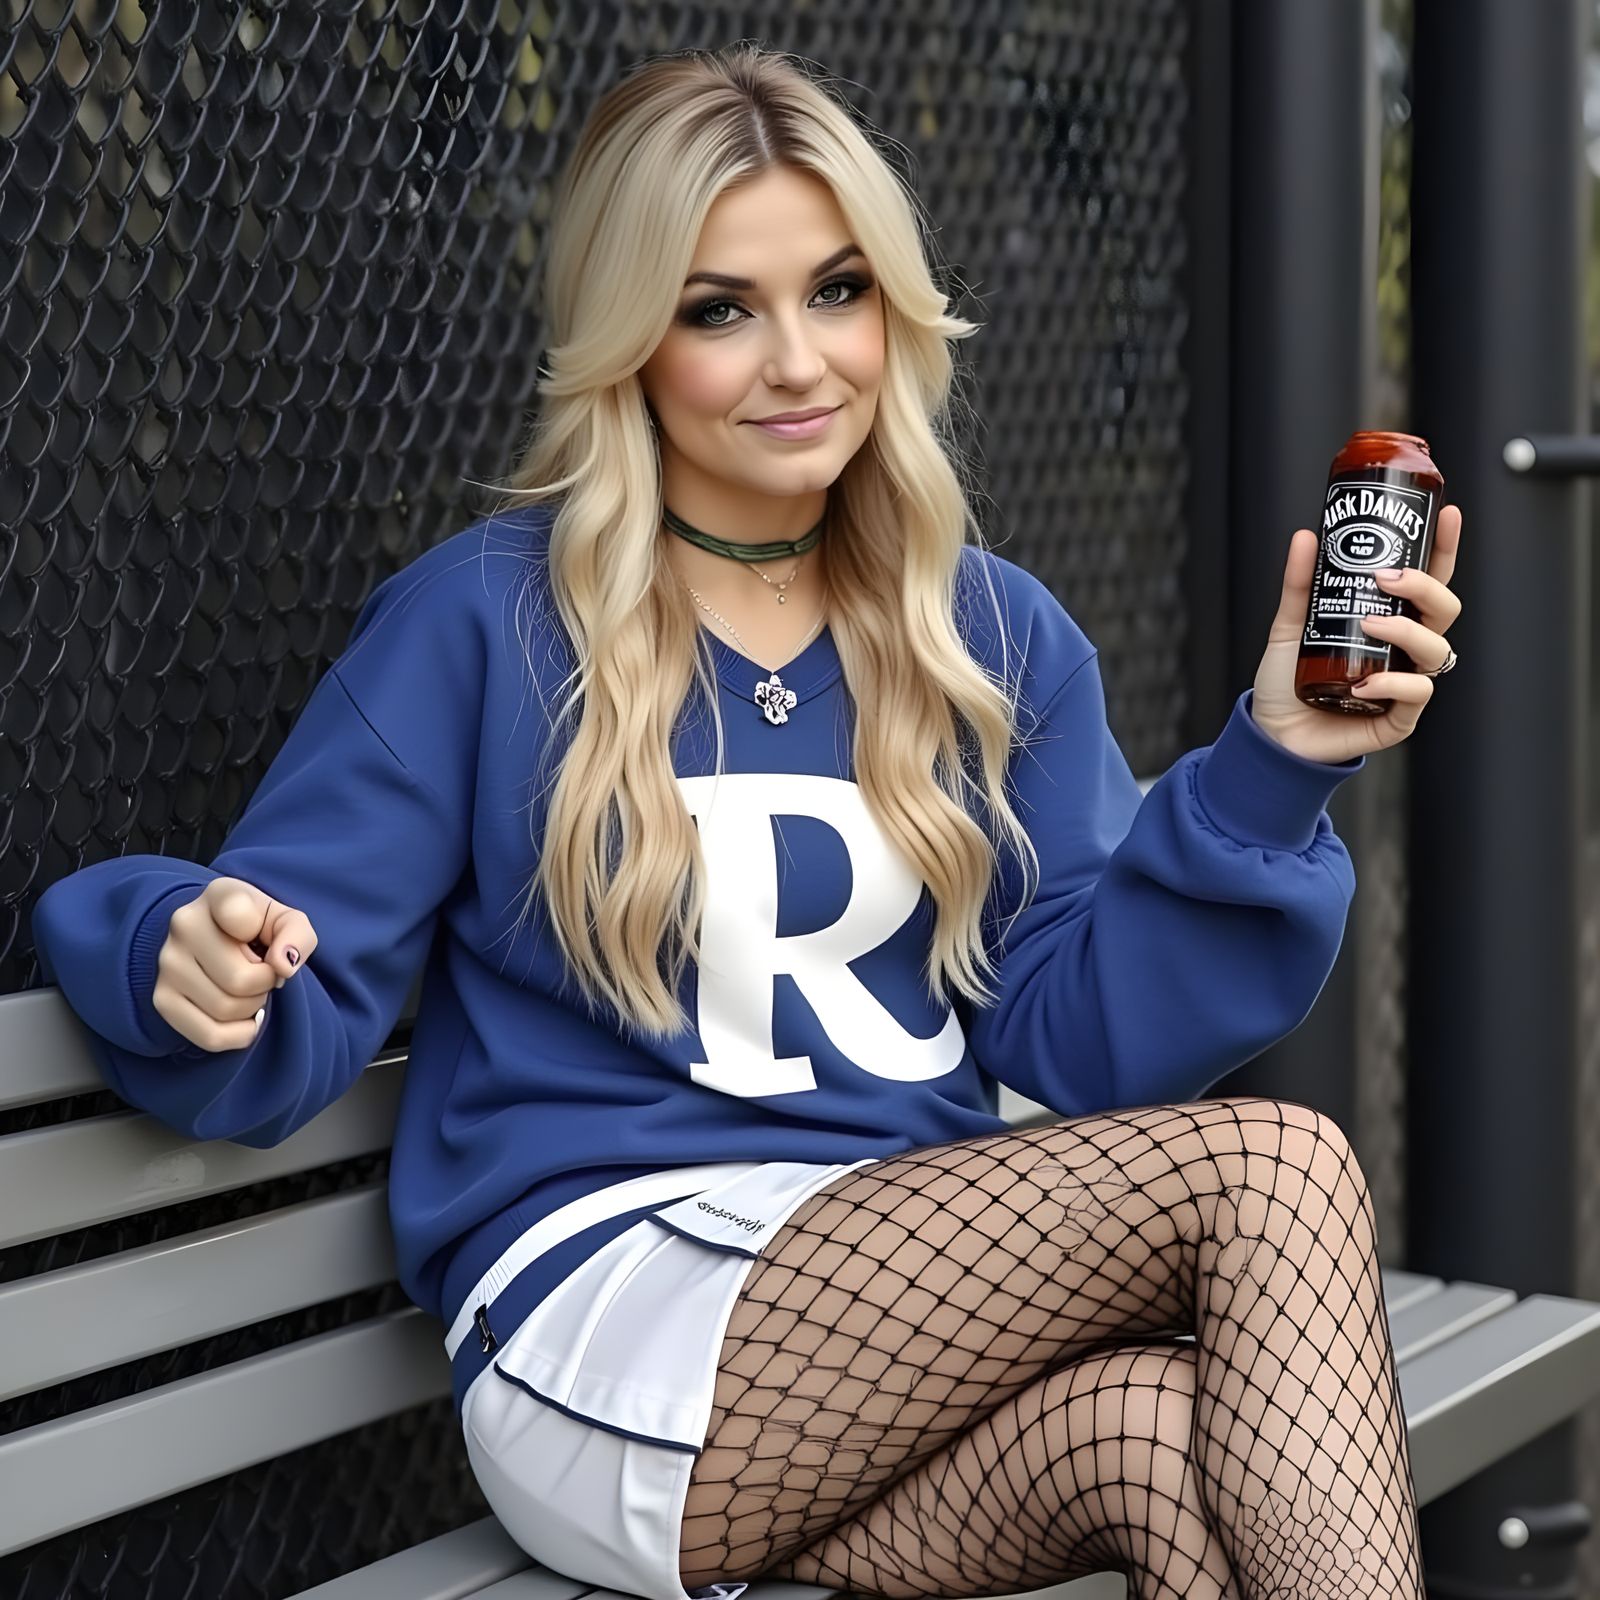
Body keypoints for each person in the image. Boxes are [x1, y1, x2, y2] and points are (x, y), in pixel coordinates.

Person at [28, 40, 1467, 1600]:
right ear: (631, 338)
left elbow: (1076, 1036)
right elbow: (275, 961)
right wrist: (180, 944)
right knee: (1272, 1169)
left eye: (838, 291)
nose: (799, 361)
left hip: (895, 1321)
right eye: (722, 309)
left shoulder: (990, 635)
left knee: (1157, 1442)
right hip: (611, 1321)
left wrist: (1275, 763)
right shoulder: (485, 626)